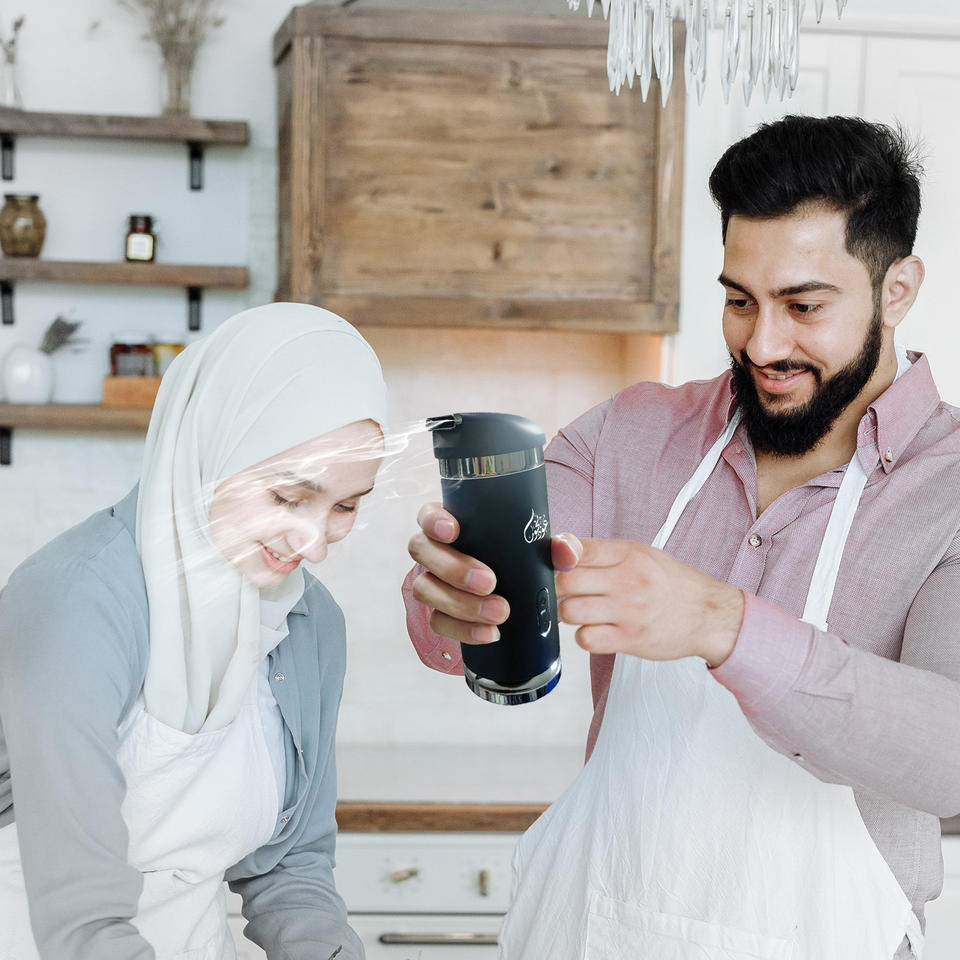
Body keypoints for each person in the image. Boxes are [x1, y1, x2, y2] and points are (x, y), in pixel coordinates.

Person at [403, 115, 960, 959]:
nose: (762, 343)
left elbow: (948, 757)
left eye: (803, 306)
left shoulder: (947, 487)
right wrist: (455, 600)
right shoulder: (633, 432)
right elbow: (480, 607)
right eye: (739, 300)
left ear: (898, 289)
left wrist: (721, 625)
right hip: (599, 929)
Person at [0, 302, 387, 960]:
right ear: (211, 446)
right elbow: (80, 920)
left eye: (346, 506)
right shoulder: (71, 600)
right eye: (288, 498)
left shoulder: (309, 622)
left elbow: (290, 869)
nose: (315, 543)